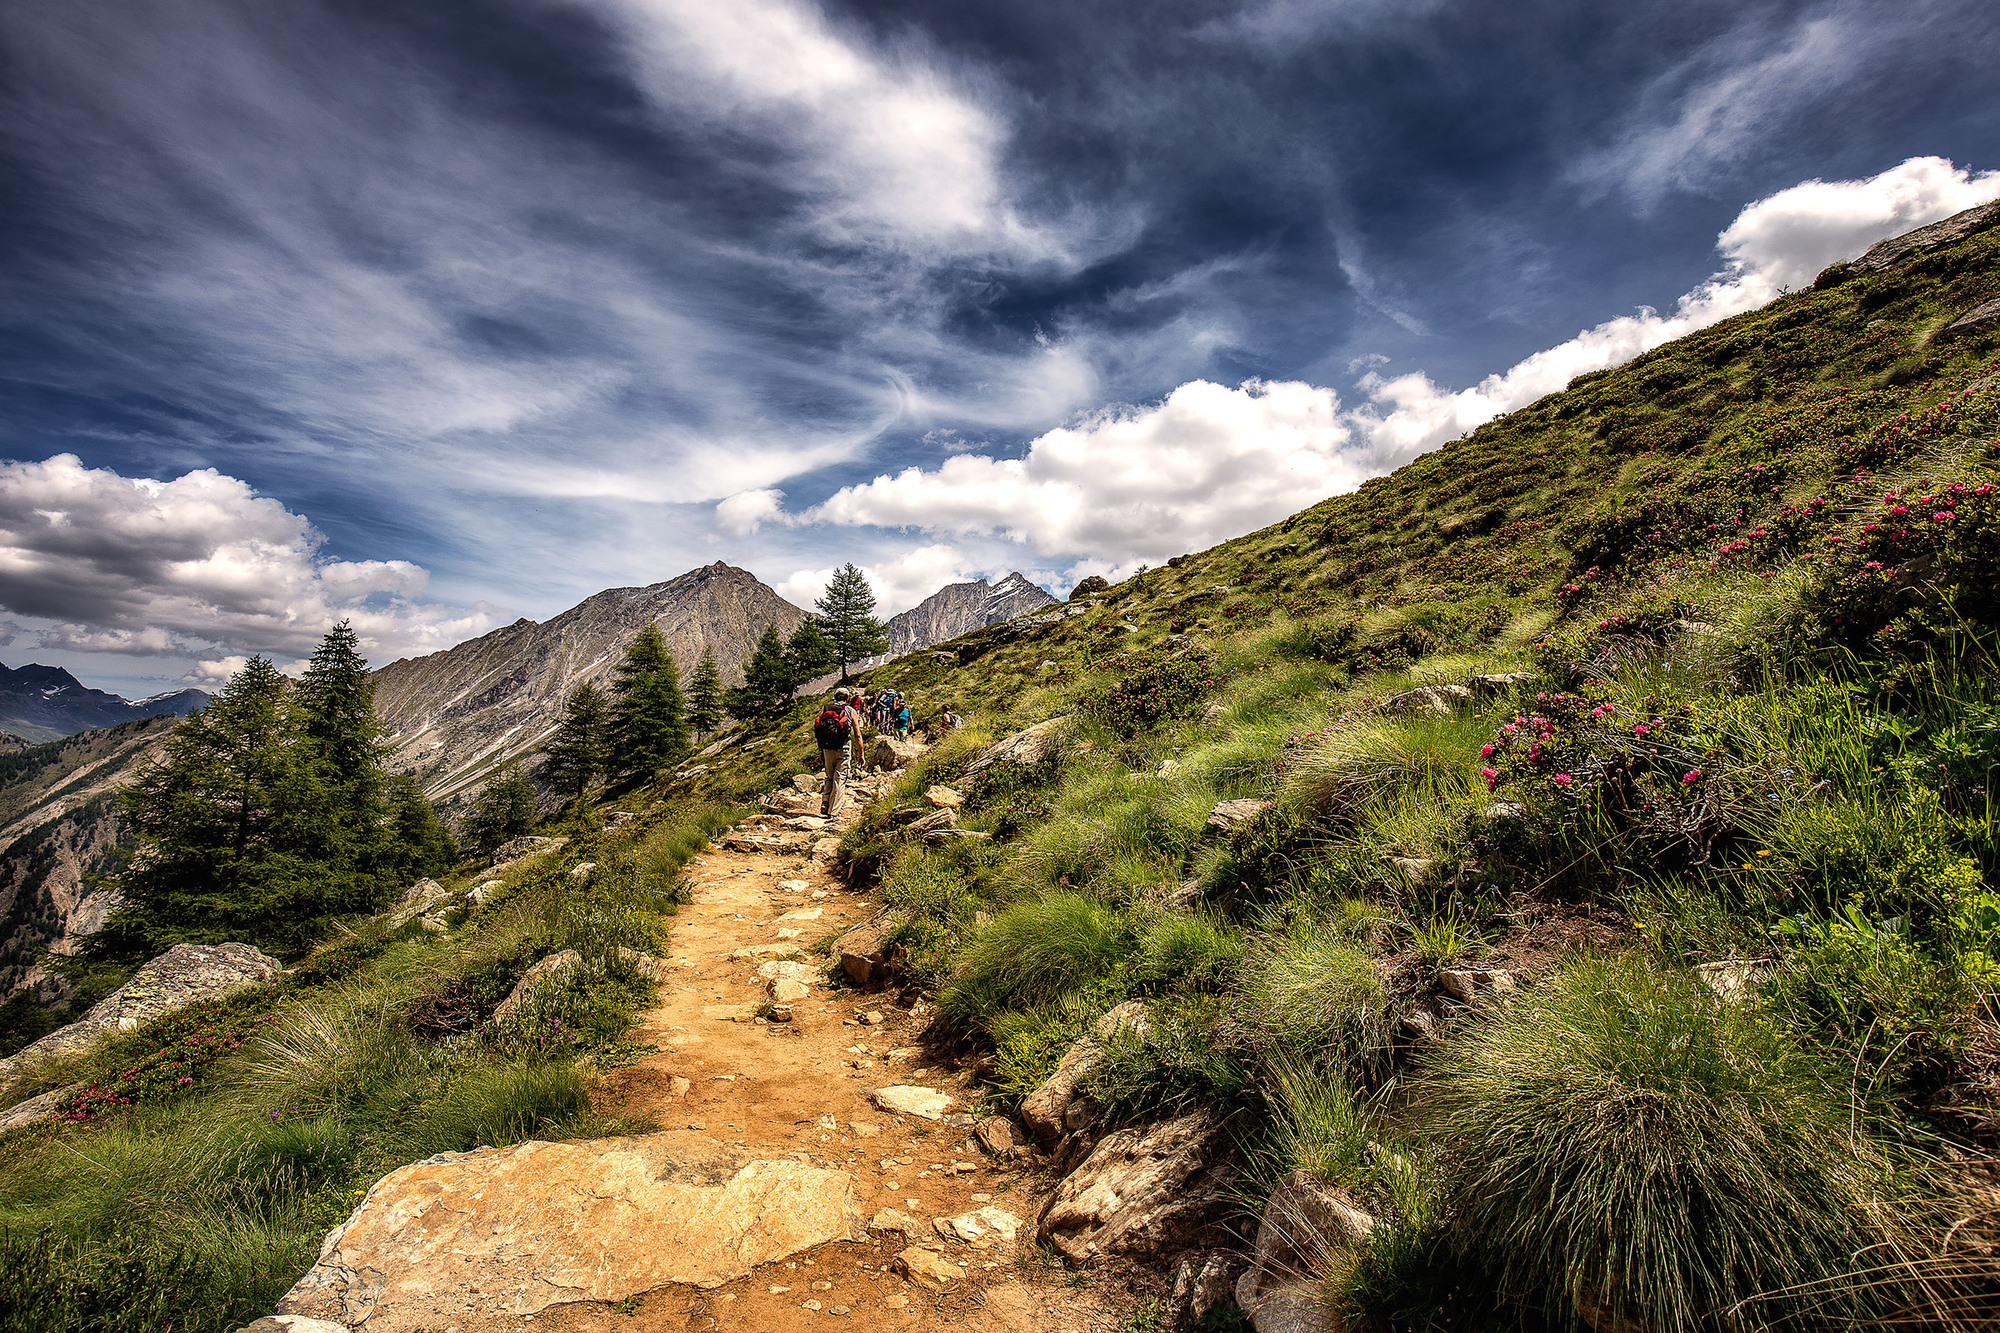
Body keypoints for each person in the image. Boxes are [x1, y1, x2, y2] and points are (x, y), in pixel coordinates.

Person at [814, 686, 865, 818]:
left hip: (827, 747)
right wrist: (861, 754)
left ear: (835, 697)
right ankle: (834, 811)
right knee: (840, 778)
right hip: (843, 747)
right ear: (847, 698)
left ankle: (825, 803)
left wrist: (820, 751)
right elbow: (857, 734)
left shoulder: (825, 709)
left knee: (829, 776)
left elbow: (820, 730)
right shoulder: (850, 710)